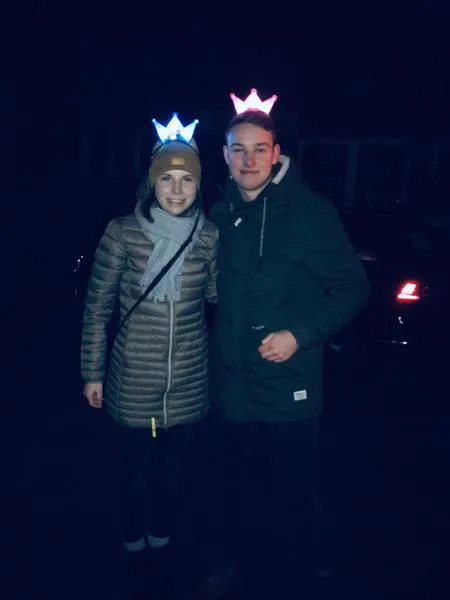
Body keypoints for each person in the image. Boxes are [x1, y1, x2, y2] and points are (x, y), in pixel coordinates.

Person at [199, 93, 370, 599]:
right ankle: (230, 567)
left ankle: (308, 574)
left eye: (260, 149)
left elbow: (353, 288)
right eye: (238, 149)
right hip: (230, 387)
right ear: (224, 155)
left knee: (294, 493)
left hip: (287, 389)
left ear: (277, 154)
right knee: (231, 488)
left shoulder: (310, 212)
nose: (248, 160)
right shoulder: (220, 212)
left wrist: (299, 334)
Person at [81, 115, 218, 599]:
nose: (177, 190)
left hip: (187, 381)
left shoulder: (209, 236)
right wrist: (92, 373)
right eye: (167, 178)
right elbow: (97, 308)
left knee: (171, 478)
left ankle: (161, 549)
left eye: (187, 179)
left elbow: (220, 295)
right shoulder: (122, 232)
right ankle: (133, 551)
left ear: (198, 185)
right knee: (135, 479)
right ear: (152, 182)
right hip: (133, 379)